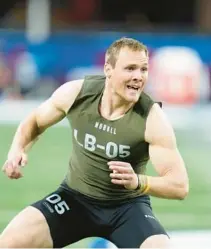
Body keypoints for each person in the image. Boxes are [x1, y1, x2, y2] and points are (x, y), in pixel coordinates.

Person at [0, 37, 189, 248]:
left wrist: (138, 181)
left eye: (144, 69)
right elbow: (35, 121)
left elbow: (179, 186)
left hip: (127, 209)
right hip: (74, 200)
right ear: (108, 69)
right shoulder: (77, 93)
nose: (138, 77)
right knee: (9, 243)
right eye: (130, 69)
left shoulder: (152, 118)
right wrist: (17, 149)